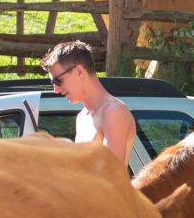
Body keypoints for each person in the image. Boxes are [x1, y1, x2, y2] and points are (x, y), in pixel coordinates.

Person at [42, 40, 135, 170]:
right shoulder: (82, 117)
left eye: (58, 80)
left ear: (79, 71)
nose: (55, 90)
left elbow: (111, 175)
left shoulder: (113, 112)